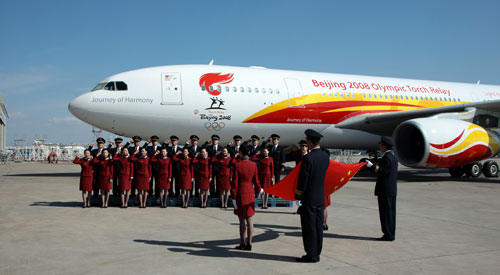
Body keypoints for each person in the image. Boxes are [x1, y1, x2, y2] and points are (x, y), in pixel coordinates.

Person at [294, 129, 330, 263]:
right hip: (320, 196)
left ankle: (311, 254)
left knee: (309, 227)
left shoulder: (308, 158)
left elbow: (303, 180)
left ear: (309, 141)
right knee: (317, 226)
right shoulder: (325, 157)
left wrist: (298, 196)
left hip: (308, 198)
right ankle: (317, 252)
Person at [231, 145, 264, 251]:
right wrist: (259, 189)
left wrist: (233, 197)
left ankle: (242, 242)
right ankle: (249, 243)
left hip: (240, 192)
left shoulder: (237, 165)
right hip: (250, 192)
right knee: (249, 218)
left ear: (240, 153)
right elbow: (256, 180)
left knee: (241, 219)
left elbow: (234, 183)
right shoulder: (253, 164)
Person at [367, 136, 398, 241]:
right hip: (390, 190)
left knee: (385, 213)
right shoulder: (392, 156)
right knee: (390, 212)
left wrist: (372, 166)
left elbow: (384, 172)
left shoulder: (387, 157)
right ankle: (390, 233)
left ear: (384, 146)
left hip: (385, 190)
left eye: (381, 145)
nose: (379, 146)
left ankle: (388, 234)